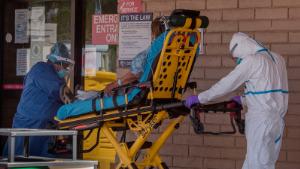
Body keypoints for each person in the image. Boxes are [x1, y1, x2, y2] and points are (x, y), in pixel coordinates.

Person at [185, 32, 288, 169]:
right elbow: (273, 91)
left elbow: (226, 84)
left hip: (261, 122)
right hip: (277, 122)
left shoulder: (252, 60)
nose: (238, 61)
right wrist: (243, 100)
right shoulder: (277, 59)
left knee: (257, 164)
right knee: (260, 162)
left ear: (241, 49)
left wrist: (200, 98)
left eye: (237, 58)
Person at [2, 42, 75, 157]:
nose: (65, 70)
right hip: (29, 127)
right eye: (65, 66)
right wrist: (78, 104)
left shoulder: (51, 75)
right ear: (58, 62)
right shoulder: (43, 70)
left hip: (42, 129)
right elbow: (63, 92)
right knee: (20, 160)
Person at [104, 17, 165, 95]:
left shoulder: (149, 53)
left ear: (153, 33)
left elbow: (134, 75)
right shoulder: (174, 51)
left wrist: (113, 85)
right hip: (164, 90)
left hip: (143, 92)